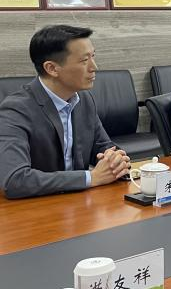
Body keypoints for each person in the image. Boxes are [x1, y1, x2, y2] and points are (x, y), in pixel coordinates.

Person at [0, 25, 129, 198]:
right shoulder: (15, 110)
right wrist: (91, 178)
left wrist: (115, 159)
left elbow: (103, 147)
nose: (94, 67)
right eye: (84, 60)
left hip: (79, 202)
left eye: (93, 56)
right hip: (38, 206)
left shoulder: (83, 99)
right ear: (52, 68)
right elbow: (15, 180)